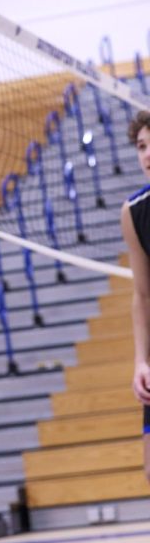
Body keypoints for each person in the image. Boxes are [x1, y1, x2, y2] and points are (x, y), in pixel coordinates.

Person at [119, 110, 150, 485]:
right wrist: (141, 361)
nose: (146, 155)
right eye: (141, 147)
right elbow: (141, 295)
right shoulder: (134, 212)